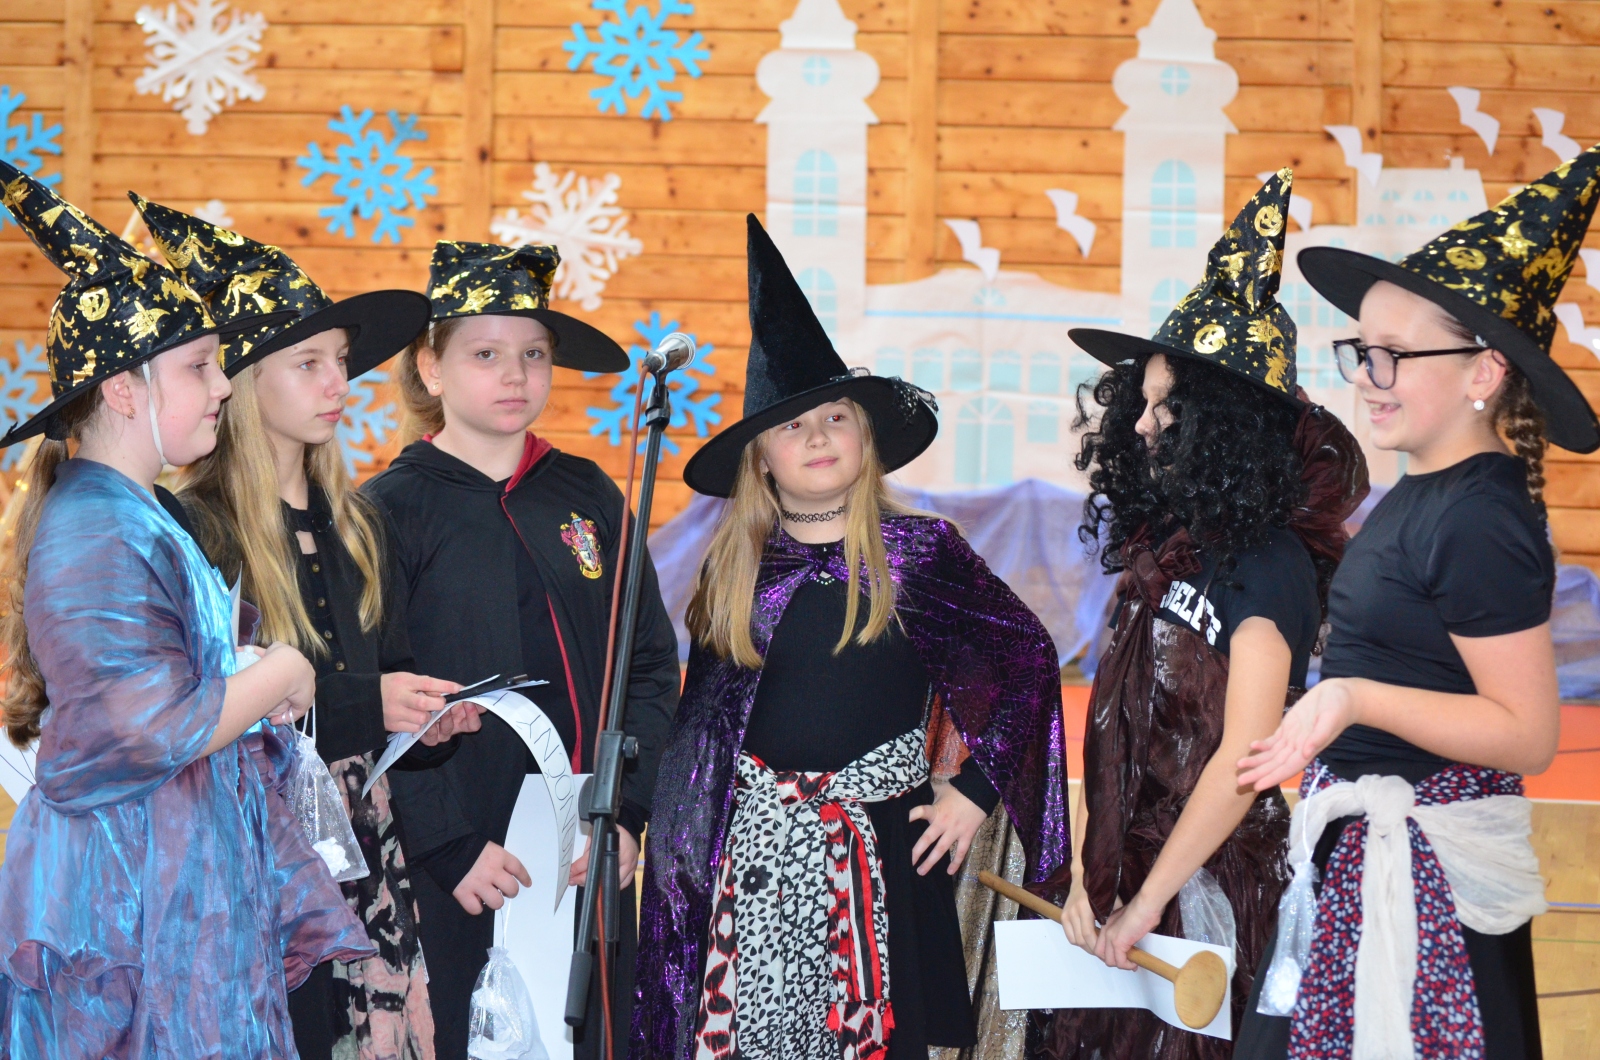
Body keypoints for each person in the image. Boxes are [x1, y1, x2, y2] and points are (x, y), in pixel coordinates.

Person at [633, 215, 1072, 1060]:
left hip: (879, 862)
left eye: (835, 418)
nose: (817, 437)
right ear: (761, 459)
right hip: (751, 869)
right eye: (793, 427)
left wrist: (972, 792)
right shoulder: (736, 572)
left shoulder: (923, 556)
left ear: (865, 441)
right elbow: (702, 737)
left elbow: (1026, 663)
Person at [1233, 147, 1600, 1059]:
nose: (1365, 375)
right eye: (1361, 351)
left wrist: (1352, 698)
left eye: (1393, 356)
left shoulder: (1479, 517)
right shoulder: (1421, 492)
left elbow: (1527, 734)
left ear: (1483, 374)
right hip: (1369, 853)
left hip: (1424, 880)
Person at [0, 164, 374, 1054]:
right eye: (199, 367)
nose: (222, 386)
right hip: (128, 899)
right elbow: (139, 729)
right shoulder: (92, 528)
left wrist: (244, 673)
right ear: (124, 389)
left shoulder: (134, 515)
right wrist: (282, 671)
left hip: (175, 879)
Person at [130, 196, 482, 1060]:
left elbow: (383, 678)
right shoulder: (194, 527)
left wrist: (425, 725)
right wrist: (369, 704)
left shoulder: (357, 525)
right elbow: (197, 716)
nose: (338, 384)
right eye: (310, 363)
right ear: (245, 380)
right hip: (251, 853)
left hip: (364, 847)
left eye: (343, 363)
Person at [1048, 171, 1369, 1060]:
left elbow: (1244, 759)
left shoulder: (1271, 567)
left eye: (1167, 408)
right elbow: (1115, 734)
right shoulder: (1164, 547)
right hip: (1131, 880)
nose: (1142, 427)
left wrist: (1150, 899)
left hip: (1211, 889)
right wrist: (1091, 873)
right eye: (1142, 403)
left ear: (1223, 426)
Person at [363, 240, 681, 1060]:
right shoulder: (388, 511)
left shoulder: (586, 493)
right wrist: (446, 844)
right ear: (430, 369)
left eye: (534, 354)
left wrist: (627, 815)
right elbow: (373, 694)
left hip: (584, 855)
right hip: (456, 867)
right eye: (486, 354)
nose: (515, 374)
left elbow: (647, 663)